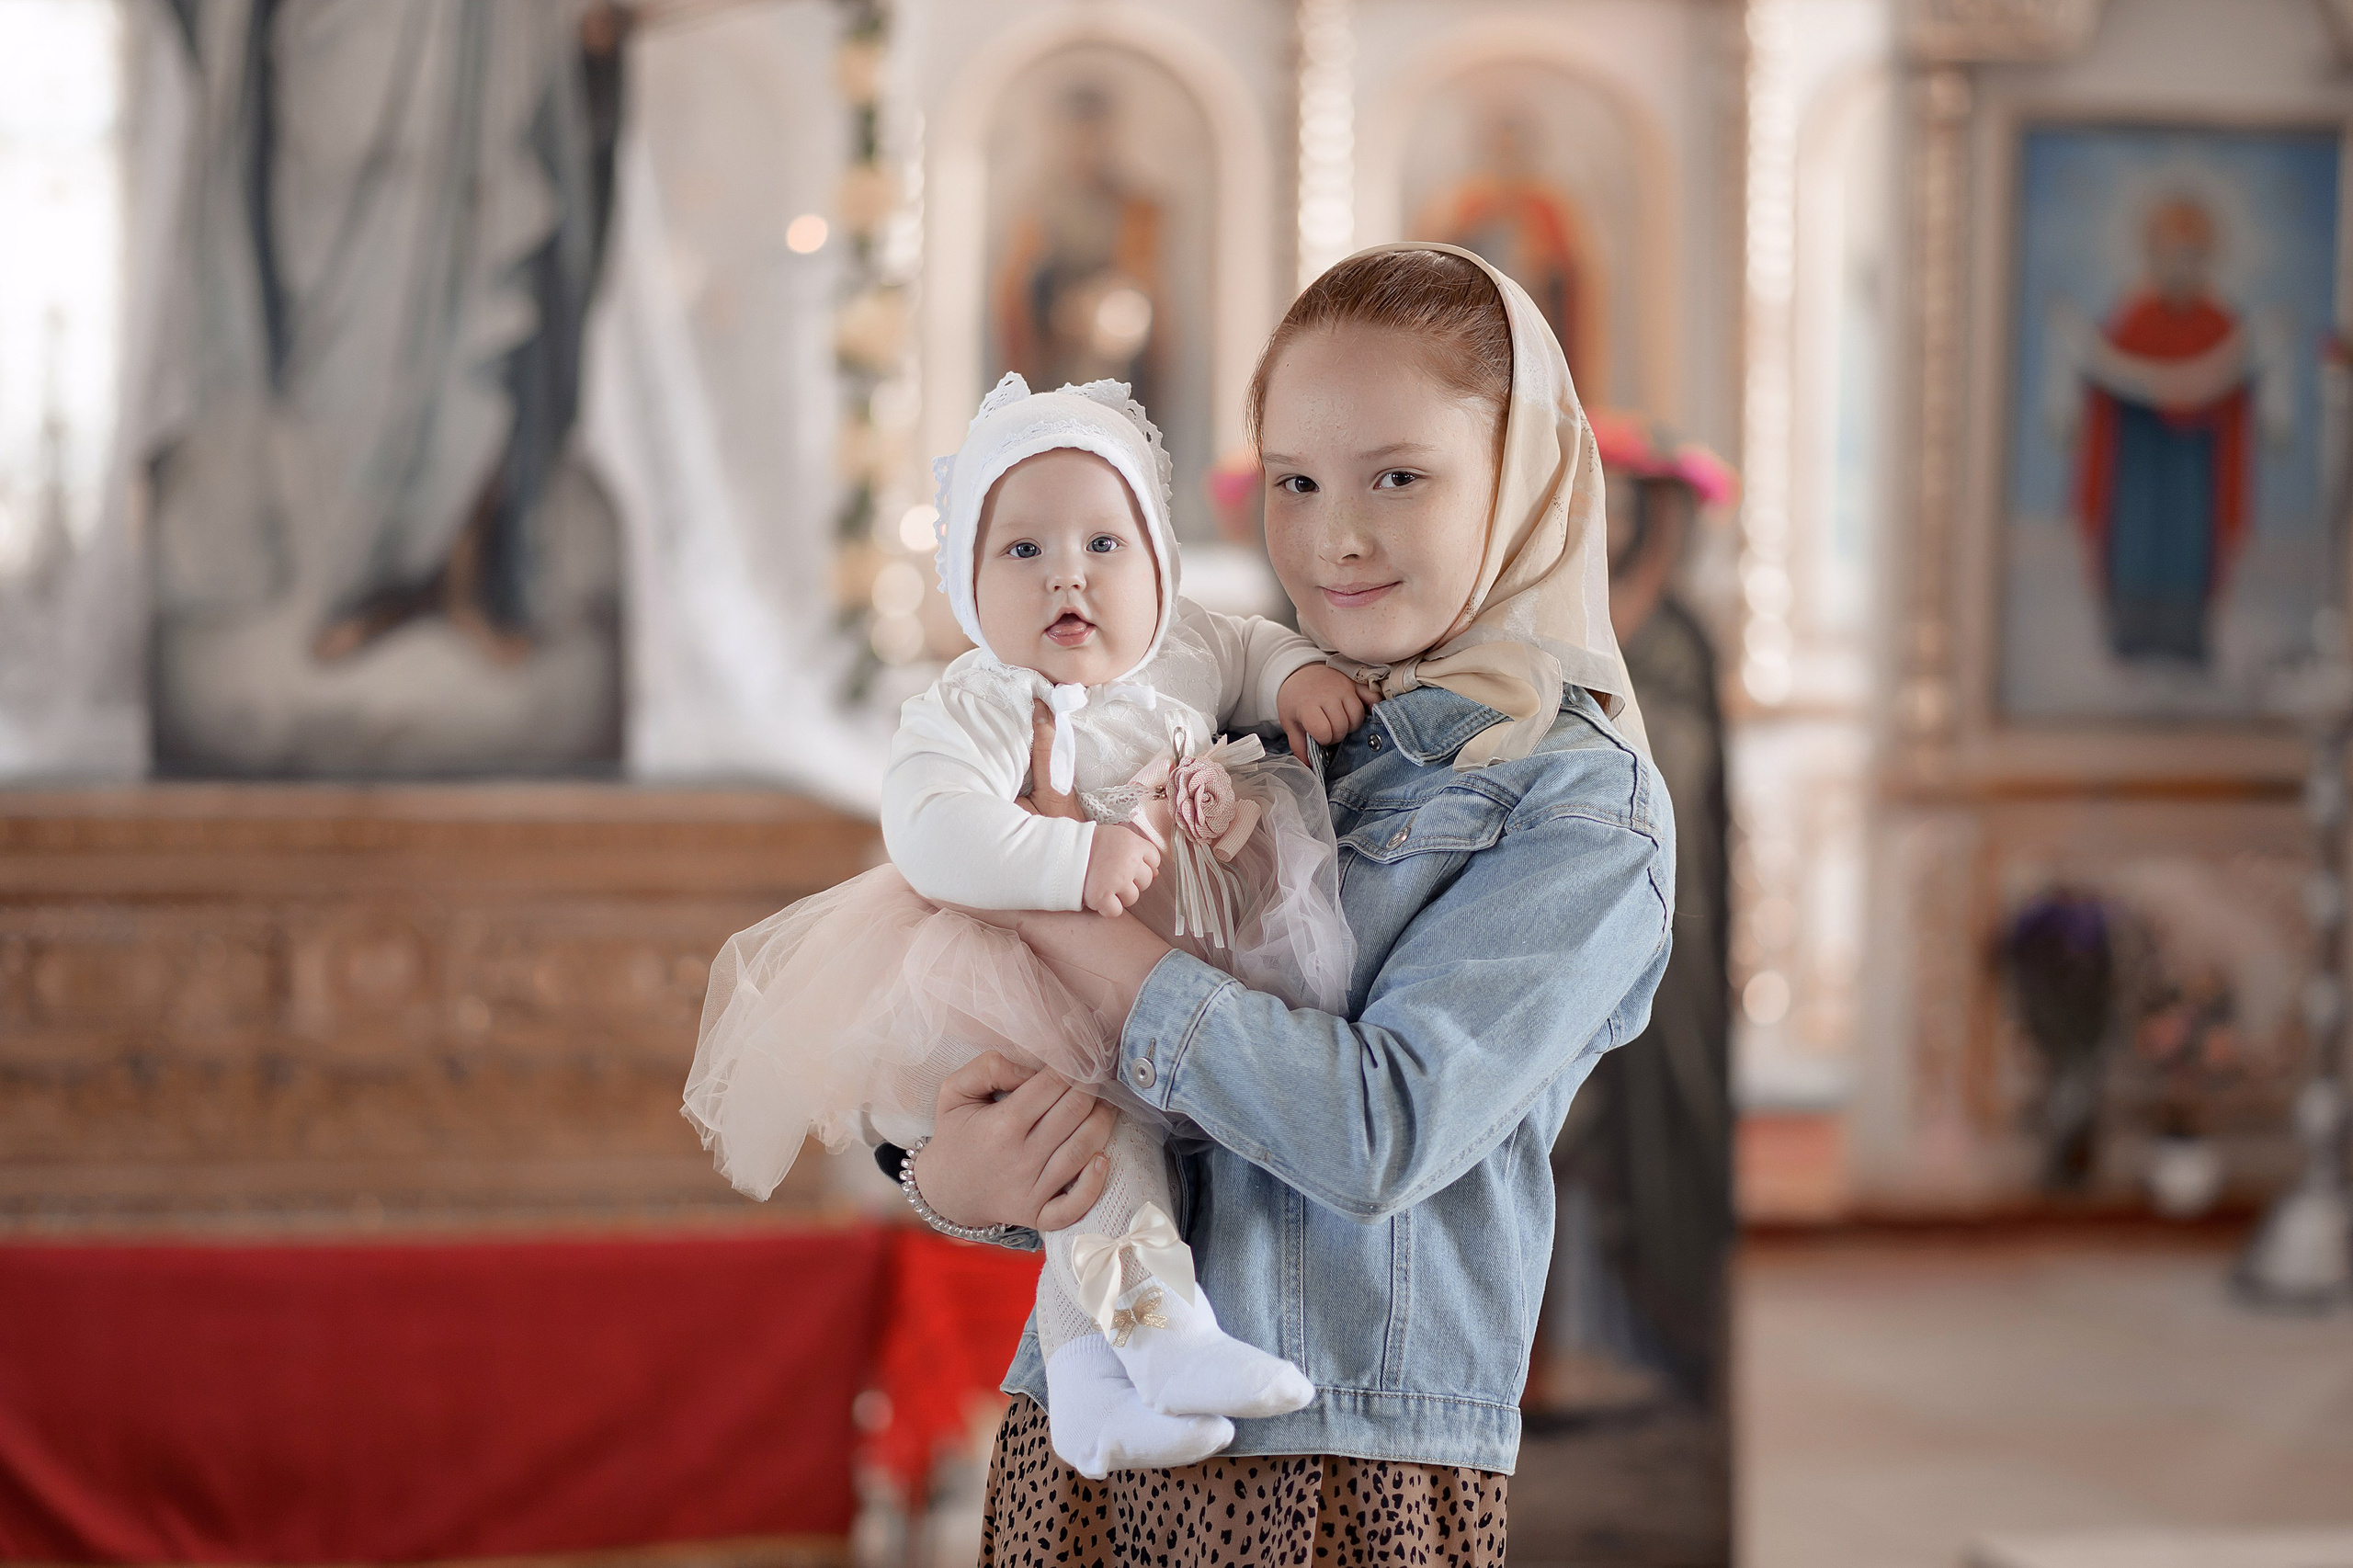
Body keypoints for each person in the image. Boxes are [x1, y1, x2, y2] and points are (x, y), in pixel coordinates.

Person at [906, 244, 1675, 1563]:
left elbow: (1380, 1133)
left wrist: (1058, 907)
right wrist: (955, 1180)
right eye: (1295, 481)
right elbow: (1099, 1096)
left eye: (1398, 477)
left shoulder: (1578, 806)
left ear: (1524, 474)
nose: (1335, 538)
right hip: (1081, 1437)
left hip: (1339, 1465)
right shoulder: (1229, 728)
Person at [683, 374, 1373, 1479]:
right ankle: (1162, 1329)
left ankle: (1091, 1387)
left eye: (1104, 543)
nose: (1068, 574)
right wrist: (1069, 857)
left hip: (1170, 970)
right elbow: (926, 824)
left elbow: (1250, 647)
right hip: (1023, 980)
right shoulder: (988, 697)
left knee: (1099, 1152)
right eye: (1022, 550)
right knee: (1091, 1140)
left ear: (1160, 564)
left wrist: (1292, 677)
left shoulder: (1185, 646)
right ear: (968, 584)